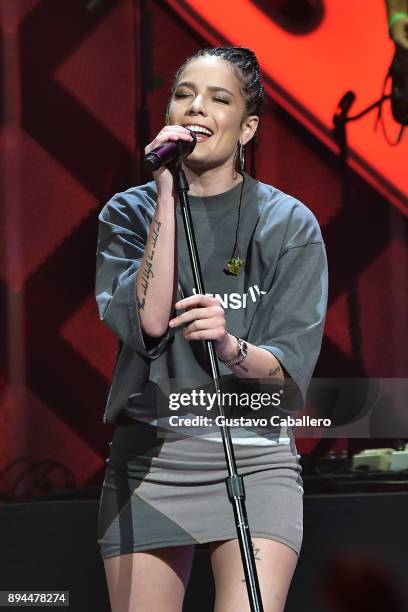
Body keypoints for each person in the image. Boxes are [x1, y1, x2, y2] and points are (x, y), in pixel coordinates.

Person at [95, 46, 328, 612]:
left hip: (253, 455)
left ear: (247, 128)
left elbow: (287, 368)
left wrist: (229, 346)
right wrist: (169, 192)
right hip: (152, 456)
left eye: (218, 99)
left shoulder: (288, 224)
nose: (196, 107)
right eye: (184, 94)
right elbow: (148, 323)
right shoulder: (128, 212)